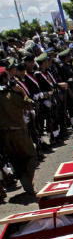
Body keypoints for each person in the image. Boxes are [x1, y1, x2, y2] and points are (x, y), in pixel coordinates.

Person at [0, 67, 37, 197]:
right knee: (31, 156)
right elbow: (31, 104)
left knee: (15, 160)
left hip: (5, 135)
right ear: (5, 79)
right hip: (19, 132)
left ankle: (26, 183)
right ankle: (27, 183)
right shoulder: (11, 95)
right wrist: (22, 91)